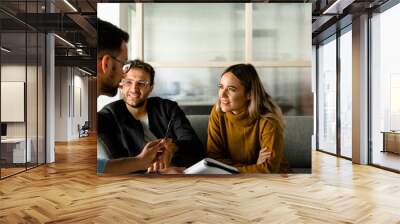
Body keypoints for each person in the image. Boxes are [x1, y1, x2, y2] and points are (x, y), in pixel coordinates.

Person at [98, 59, 204, 174]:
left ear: (151, 88)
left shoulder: (167, 108)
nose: (134, 89)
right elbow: (115, 164)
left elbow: (195, 146)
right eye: (128, 82)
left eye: (141, 83)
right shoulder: (107, 117)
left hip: (182, 172)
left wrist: (171, 148)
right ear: (121, 84)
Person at [96, 19, 161, 174]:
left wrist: (140, 161)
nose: (124, 73)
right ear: (106, 64)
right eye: (123, 63)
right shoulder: (105, 116)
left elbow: (98, 167)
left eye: (141, 83)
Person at [207, 63, 289, 173]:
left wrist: (230, 169)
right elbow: (214, 160)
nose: (222, 95)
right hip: (235, 178)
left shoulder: (268, 120)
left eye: (231, 89)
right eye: (221, 87)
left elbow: (268, 169)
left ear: (249, 94)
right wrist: (255, 166)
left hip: (274, 180)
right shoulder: (217, 112)